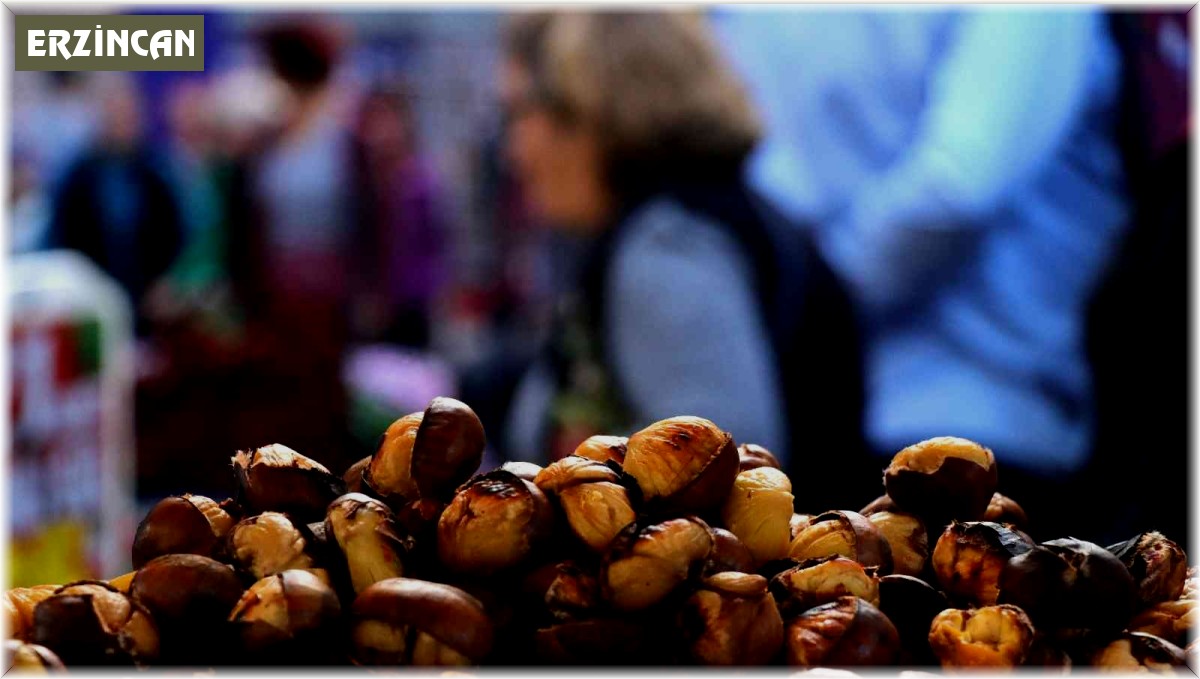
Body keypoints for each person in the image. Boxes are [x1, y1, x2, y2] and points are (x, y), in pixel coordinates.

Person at [714, 9, 1131, 536]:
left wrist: (805, 315)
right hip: (947, 428)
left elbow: (953, 189)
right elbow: (954, 189)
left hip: (936, 427)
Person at [498, 12, 791, 464]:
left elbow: (710, 465)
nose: (514, 150)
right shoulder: (701, 218)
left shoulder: (667, 250)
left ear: (594, 111)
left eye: (523, 113)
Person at [47, 73, 185, 335]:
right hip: (92, 303)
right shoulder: (79, 176)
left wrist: (167, 280)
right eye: (113, 111)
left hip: (149, 303)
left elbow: (176, 230)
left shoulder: (156, 170)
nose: (121, 119)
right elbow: (63, 237)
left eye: (127, 111)